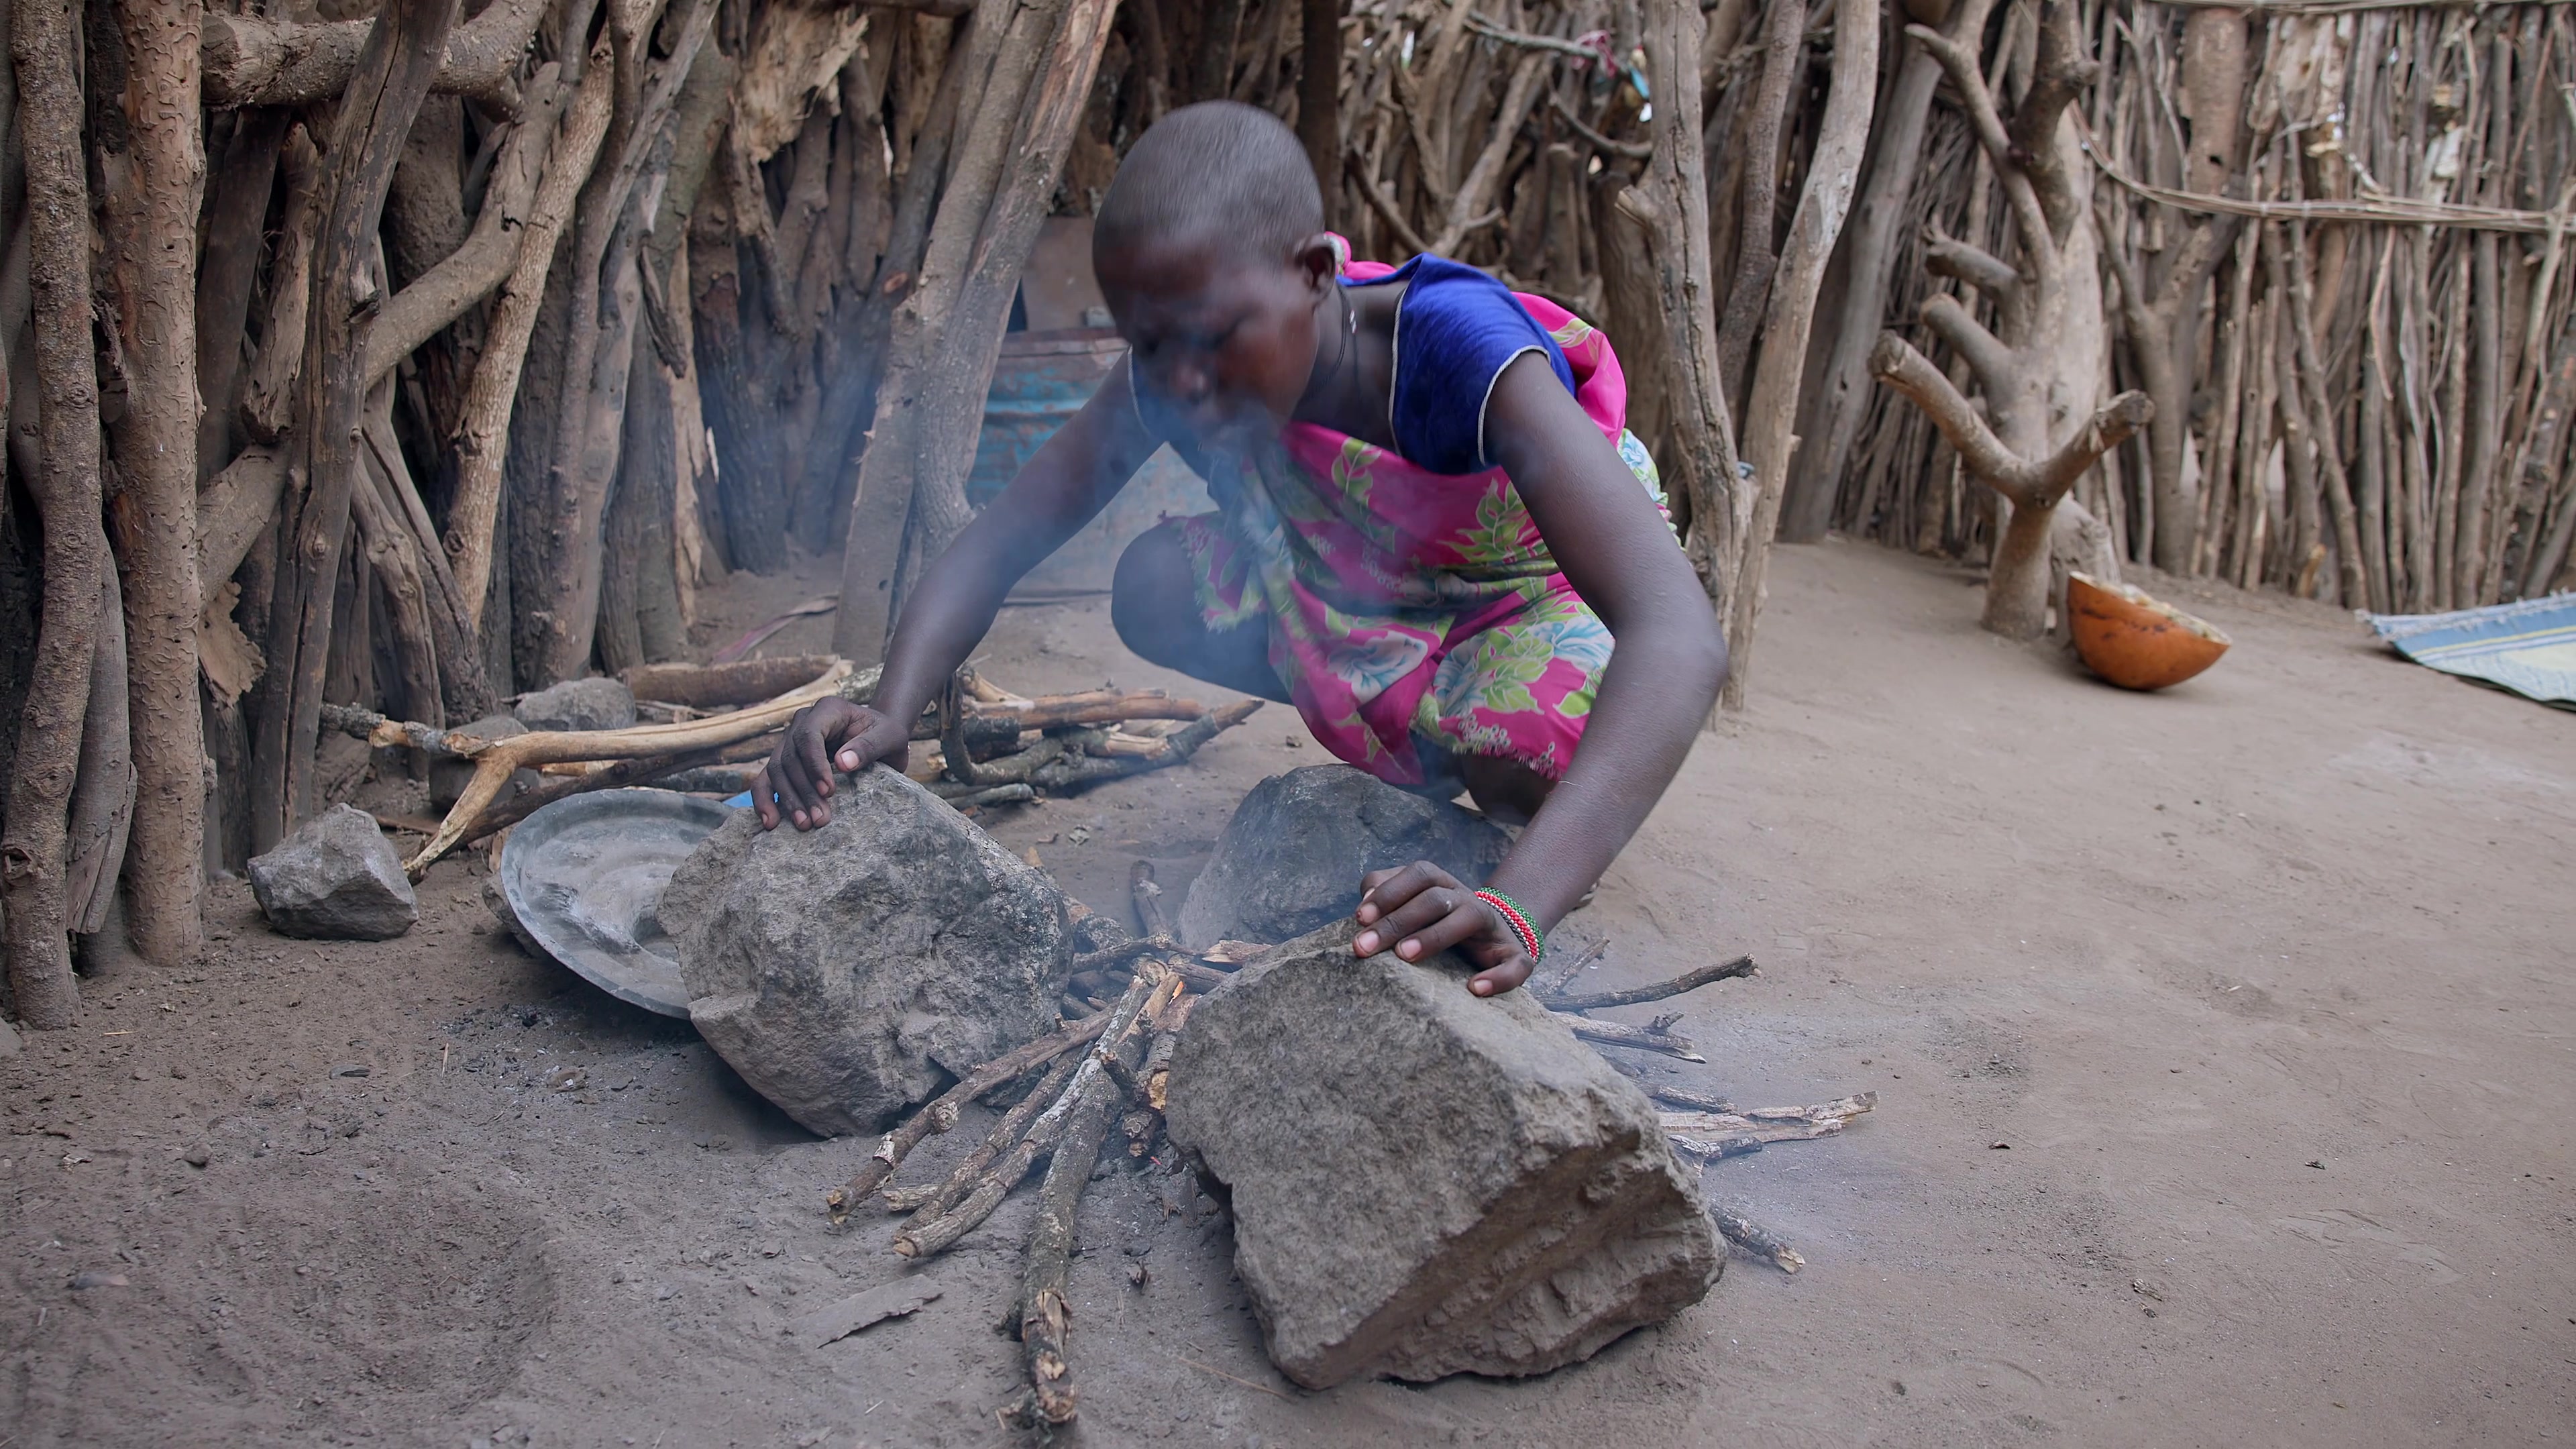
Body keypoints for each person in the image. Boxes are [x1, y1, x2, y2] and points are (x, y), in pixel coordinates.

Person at [751, 101, 1726, 998]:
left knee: (1523, 762)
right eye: (1149, 346)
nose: (1183, 383)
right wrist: (891, 707)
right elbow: (1003, 537)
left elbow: (1678, 632)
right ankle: (1429, 745)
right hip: (1364, 584)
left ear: (1315, 273)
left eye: (1215, 336)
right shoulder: (1177, 365)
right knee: (1158, 586)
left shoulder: (1455, 348)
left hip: (1528, 589)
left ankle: (1514, 802)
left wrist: (1521, 901)